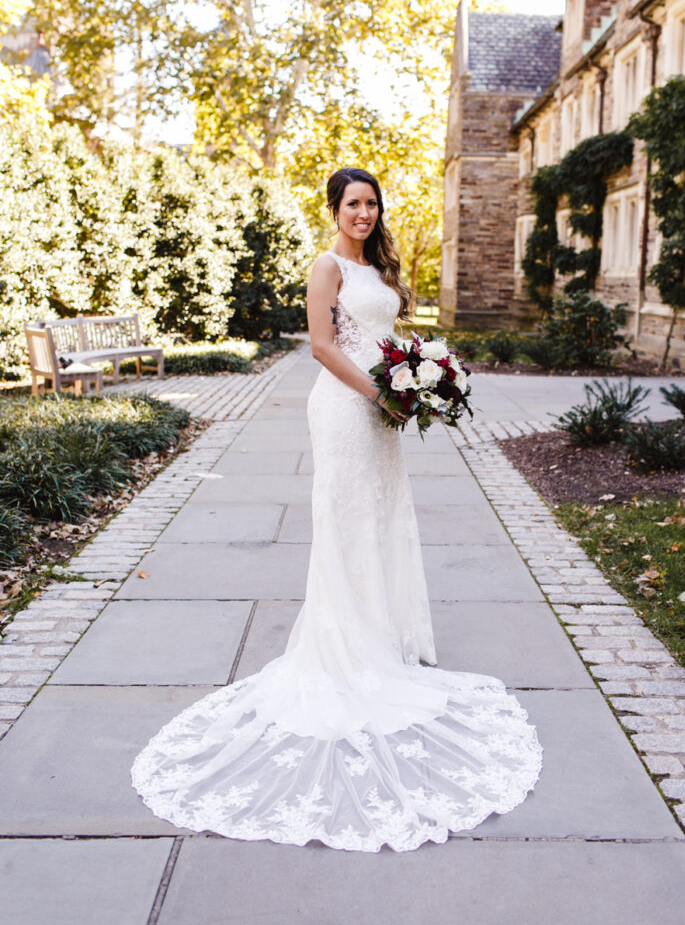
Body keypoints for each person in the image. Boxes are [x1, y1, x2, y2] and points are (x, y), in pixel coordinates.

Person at [131, 167, 543, 853]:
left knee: (383, 517)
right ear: (334, 208)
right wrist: (381, 392)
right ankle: (346, 643)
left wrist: (420, 374)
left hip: (380, 410)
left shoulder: (375, 268)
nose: (363, 212)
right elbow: (323, 347)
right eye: (353, 203)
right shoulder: (325, 267)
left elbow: (385, 339)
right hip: (346, 411)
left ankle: (382, 632)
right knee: (347, 522)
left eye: (372, 203)